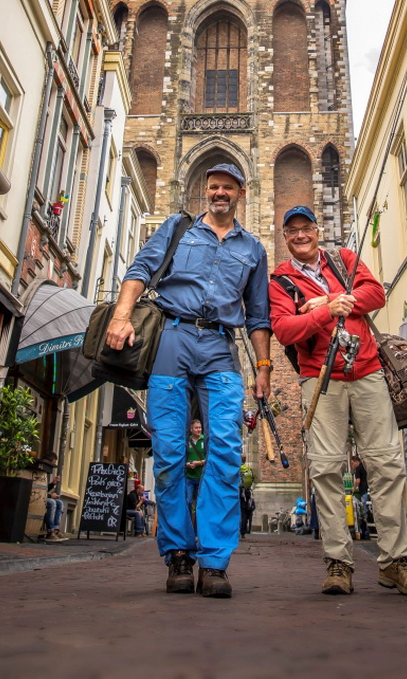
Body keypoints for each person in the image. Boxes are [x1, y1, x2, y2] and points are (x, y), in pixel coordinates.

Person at [105, 164, 271, 598]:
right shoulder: (178, 230)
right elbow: (140, 269)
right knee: (169, 452)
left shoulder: (253, 248)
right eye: (213, 186)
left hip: (220, 347)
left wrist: (265, 368)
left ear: (241, 193)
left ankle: (214, 562)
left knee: (226, 451)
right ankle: (178, 554)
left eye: (227, 187)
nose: (219, 193)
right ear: (206, 191)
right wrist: (121, 317)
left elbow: (258, 315)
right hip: (173, 337)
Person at [269, 205, 407, 597]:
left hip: (367, 371)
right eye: (292, 231)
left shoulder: (343, 260)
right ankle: (338, 562)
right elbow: (284, 329)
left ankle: (395, 561)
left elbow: (374, 293)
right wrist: (328, 311)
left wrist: (335, 298)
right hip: (319, 380)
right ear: (285, 238)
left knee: (387, 464)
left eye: (306, 227)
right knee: (325, 469)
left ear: (317, 230)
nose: (301, 235)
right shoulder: (280, 279)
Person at [186, 418, 205, 516]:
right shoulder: (187, 441)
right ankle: (189, 524)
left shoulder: (204, 441)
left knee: (200, 503)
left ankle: (198, 526)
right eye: (196, 428)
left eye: (200, 428)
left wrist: (199, 463)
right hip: (189, 477)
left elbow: (210, 458)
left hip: (201, 476)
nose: (199, 430)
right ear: (191, 429)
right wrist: (187, 464)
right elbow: (182, 457)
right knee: (188, 501)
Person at [44, 452, 64, 540]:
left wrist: (53, 483)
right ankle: (50, 530)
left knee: (59, 503)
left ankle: (56, 529)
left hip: (43, 496)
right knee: (52, 503)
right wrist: (50, 495)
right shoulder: (42, 472)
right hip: (38, 498)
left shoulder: (46, 474)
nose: (54, 465)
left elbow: (43, 489)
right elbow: (38, 491)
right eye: (53, 463)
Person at [351, 456, 370, 540]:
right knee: (369, 509)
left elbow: (357, 481)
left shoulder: (358, 469)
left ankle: (366, 532)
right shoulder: (365, 466)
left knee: (364, 511)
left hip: (363, 490)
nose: (352, 465)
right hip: (369, 488)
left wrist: (354, 488)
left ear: (356, 462)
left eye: (352, 463)